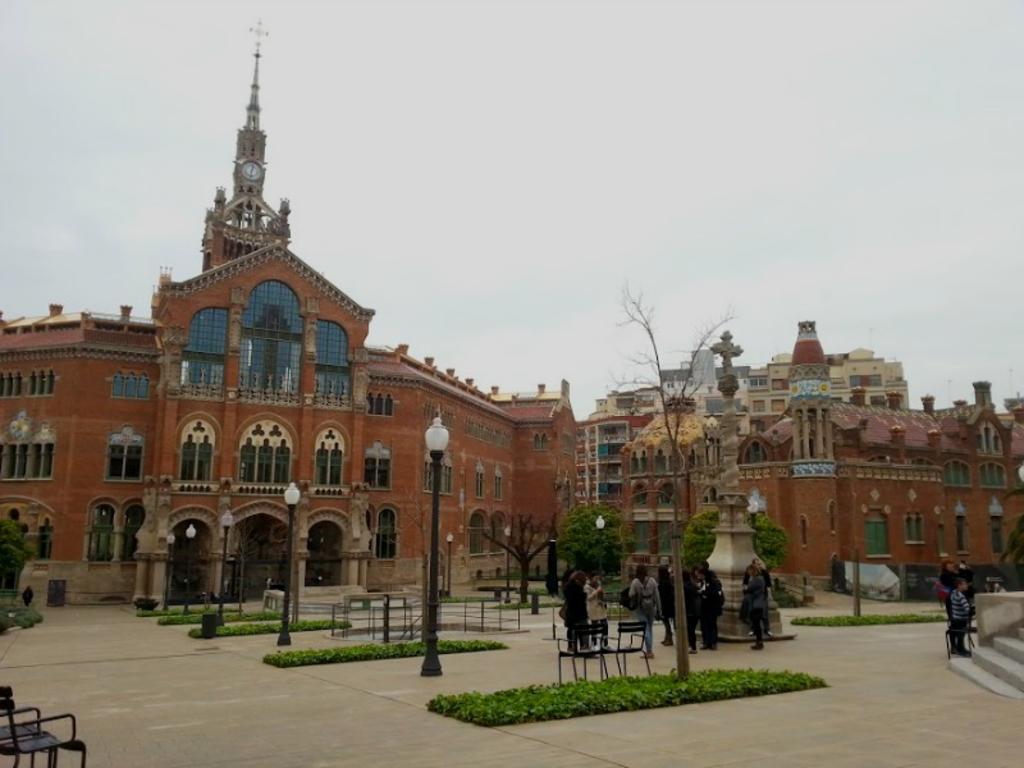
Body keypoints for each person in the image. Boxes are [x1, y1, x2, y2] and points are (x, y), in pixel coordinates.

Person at [629, 564, 662, 658]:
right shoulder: (652, 581)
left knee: (645, 628)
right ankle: (649, 650)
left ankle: (649, 651)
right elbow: (657, 596)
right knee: (650, 628)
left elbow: (631, 594)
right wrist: (659, 610)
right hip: (652, 607)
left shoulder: (635, 582)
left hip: (640, 608)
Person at [743, 557, 773, 639]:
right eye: (757, 564)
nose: (759, 565)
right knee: (751, 613)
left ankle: (767, 629)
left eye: (759, 564)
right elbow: (745, 584)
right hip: (751, 597)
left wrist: (769, 596)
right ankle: (753, 629)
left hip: (762, 596)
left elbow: (768, 585)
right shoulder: (748, 573)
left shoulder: (764, 573)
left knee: (764, 613)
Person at [562, 570, 589, 650]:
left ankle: (571, 646)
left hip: (571, 614)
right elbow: (582, 598)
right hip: (580, 614)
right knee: (583, 631)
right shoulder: (578, 587)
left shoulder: (567, 587)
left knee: (571, 630)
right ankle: (584, 646)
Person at [743, 564, 767, 650]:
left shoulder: (757, 579)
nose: (748, 573)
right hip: (756, 604)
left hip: (757, 604)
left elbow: (748, 588)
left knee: (756, 624)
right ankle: (758, 641)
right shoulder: (757, 579)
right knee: (756, 624)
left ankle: (759, 642)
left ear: (753, 571)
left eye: (749, 571)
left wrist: (746, 588)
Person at [697, 567, 721, 650]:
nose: (698, 576)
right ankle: (706, 642)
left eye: (700, 574)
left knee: (712, 625)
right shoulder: (701, 583)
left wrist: (704, 593)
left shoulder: (713, 582)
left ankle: (713, 642)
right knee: (704, 625)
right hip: (704, 607)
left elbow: (715, 593)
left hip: (712, 607)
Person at [948, 577, 973, 657]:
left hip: (955, 619)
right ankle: (961, 650)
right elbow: (967, 609)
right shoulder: (960, 596)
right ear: (959, 585)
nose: (966, 585)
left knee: (960, 634)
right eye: (964, 584)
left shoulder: (953, 593)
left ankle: (959, 648)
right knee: (961, 634)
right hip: (961, 619)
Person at [584, 572, 608, 648]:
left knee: (605, 625)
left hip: (600, 608)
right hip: (593, 609)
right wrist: (597, 591)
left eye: (598, 578)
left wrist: (602, 595)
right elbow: (588, 598)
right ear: (591, 578)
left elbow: (602, 596)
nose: (597, 580)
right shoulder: (587, 587)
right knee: (594, 627)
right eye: (595, 578)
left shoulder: (598, 585)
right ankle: (594, 643)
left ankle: (605, 643)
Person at [682, 569, 701, 655]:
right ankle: (691, 646)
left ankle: (692, 647)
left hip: (689, 610)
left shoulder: (684, 587)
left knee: (690, 629)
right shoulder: (693, 585)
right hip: (695, 610)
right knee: (691, 629)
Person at [656, 564, 675, 647]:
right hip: (668, 604)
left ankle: (669, 638)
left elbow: (663, 595)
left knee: (666, 622)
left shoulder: (664, 582)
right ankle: (667, 638)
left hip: (665, 605)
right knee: (665, 622)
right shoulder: (667, 581)